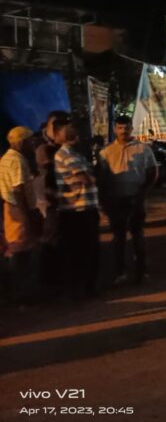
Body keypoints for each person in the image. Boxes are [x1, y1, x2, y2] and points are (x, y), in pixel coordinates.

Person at [97, 116, 159, 284]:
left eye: (126, 128)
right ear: (115, 129)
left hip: (136, 199)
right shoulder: (106, 152)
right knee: (119, 238)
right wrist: (105, 201)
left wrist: (143, 192)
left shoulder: (143, 149)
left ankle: (142, 271)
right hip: (116, 201)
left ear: (131, 128)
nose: (123, 131)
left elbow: (152, 172)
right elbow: (102, 178)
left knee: (138, 236)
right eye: (120, 128)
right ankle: (120, 272)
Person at [53, 123, 101, 299]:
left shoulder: (74, 154)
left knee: (85, 249)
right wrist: (92, 176)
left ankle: (84, 286)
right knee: (84, 249)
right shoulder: (67, 154)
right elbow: (85, 178)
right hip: (79, 208)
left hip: (83, 207)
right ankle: (84, 287)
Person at [0, 127, 40, 302]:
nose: (33, 144)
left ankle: (18, 292)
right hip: (18, 209)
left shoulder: (5, 158)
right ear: (22, 142)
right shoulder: (17, 160)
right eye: (30, 141)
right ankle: (22, 294)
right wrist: (27, 215)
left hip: (10, 208)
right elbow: (18, 189)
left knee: (17, 250)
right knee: (21, 252)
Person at [33, 111, 70, 292]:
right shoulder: (42, 148)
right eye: (56, 125)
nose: (59, 129)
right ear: (48, 125)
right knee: (51, 240)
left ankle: (61, 279)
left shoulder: (63, 147)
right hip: (47, 202)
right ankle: (49, 283)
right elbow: (49, 174)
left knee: (62, 240)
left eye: (63, 125)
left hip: (63, 201)